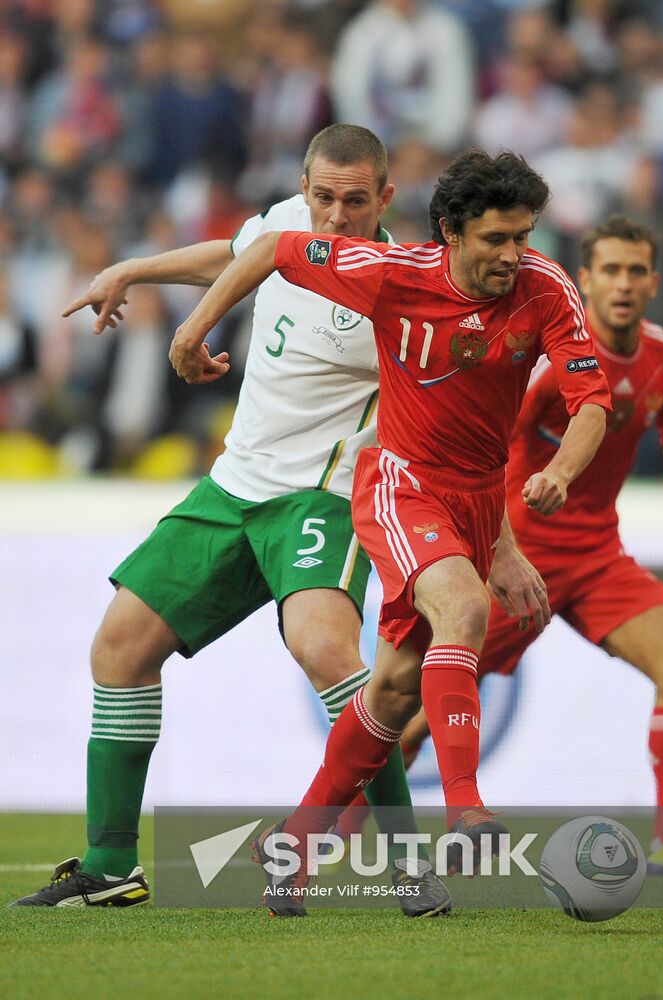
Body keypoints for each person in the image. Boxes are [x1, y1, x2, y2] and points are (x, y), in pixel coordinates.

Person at [13, 124, 452, 917]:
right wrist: (135, 269)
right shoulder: (287, 220)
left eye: (355, 201)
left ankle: (409, 864)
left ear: (385, 199)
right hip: (233, 485)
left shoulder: (399, 285)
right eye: (323, 197)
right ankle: (112, 864)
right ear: (304, 186)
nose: (334, 216)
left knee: (325, 649)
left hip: (319, 494)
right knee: (118, 646)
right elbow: (237, 253)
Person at [167, 147, 612, 913]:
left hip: (476, 502)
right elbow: (272, 249)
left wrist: (557, 478)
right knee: (465, 610)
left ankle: (293, 846)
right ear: (450, 231)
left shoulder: (545, 288)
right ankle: (467, 810)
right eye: (496, 240)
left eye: (523, 236)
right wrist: (191, 332)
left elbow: (590, 401)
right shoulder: (393, 272)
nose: (514, 254)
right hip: (399, 485)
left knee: (393, 691)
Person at [402, 215, 663, 876]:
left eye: (634, 271)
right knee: (414, 715)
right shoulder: (547, 358)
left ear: (651, 281)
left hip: (595, 558)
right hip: (517, 559)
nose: (622, 283)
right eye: (609, 270)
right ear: (584, 279)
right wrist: (492, 552)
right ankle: (331, 826)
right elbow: (488, 443)